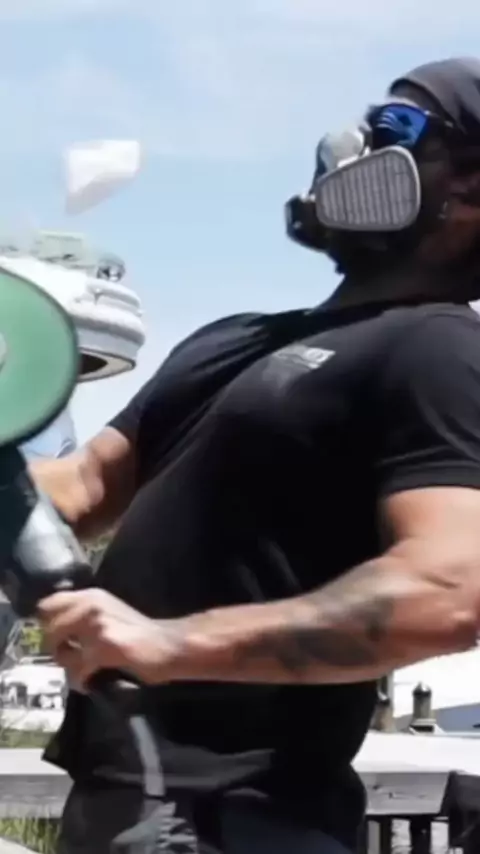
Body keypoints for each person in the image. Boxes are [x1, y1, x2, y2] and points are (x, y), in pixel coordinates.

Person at [33, 57, 480, 853]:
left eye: (397, 129)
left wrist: (170, 645)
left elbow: (448, 591)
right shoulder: (235, 340)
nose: (354, 143)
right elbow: (82, 484)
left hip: (235, 816)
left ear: (470, 193)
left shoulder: (438, 349)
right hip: (118, 797)